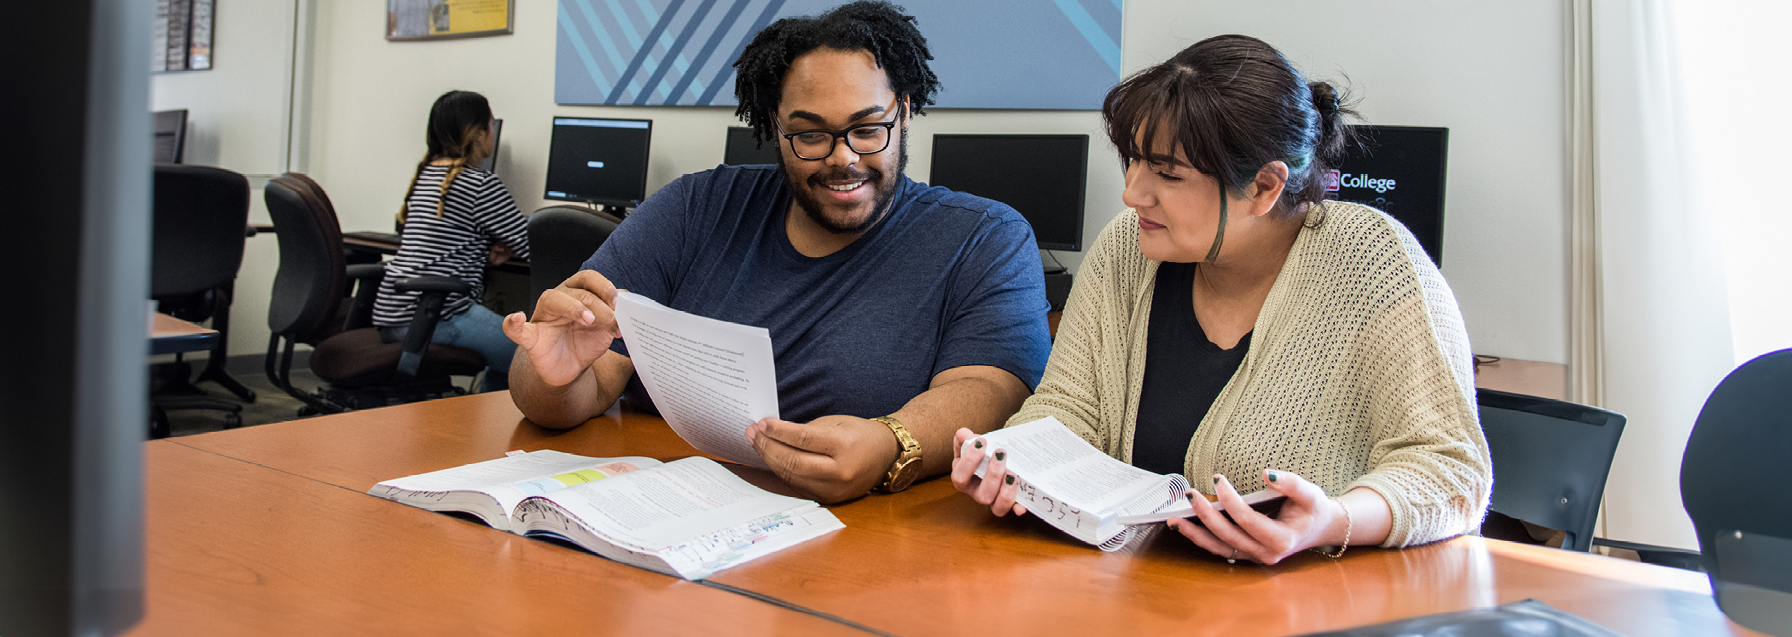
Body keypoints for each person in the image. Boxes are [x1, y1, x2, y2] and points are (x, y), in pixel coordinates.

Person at [951, 35, 1492, 564]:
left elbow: (1449, 469)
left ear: (1264, 187)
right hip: (1136, 593)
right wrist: (1012, 461)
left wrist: (1334, 520)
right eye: (1133, 162)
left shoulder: (1373, 262)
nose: (1132, 193)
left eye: (1167, 173)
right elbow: (1068, 408)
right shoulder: (1126, 246)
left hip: (1303, 606)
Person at [503, 1, 1051, 504]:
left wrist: (890, 444)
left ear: (904, 112)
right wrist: (552, 373)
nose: (844, 159)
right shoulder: (695, 209)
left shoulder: (984, 238)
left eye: (867, 128)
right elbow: (580, 385)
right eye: (810, 135)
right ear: (774, 126)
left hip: (863, 539)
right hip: (660, 507)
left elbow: (989, 389)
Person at [373, 90, 529, 393]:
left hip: (395, 313)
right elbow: (530, 245)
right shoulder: (479, 183)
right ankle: (494, 434)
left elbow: (444, 244)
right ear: (478, 132)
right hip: (439, 313)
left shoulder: (426, 175)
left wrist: (484, 253)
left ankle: (488, 427)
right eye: (490, 125)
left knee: (509, 359)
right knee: (531, 355)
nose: (493, 132)